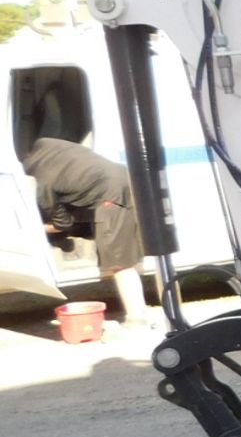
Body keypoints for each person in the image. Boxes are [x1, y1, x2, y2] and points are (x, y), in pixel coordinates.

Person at [20, 136, 161, 329]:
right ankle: (142, 311)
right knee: (127, 256)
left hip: (111, 196)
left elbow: (62, 225)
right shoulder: (48, 146)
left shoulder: (41, 183)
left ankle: (137, 318)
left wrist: (39, 228)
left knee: (119, 263)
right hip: (129, 180)